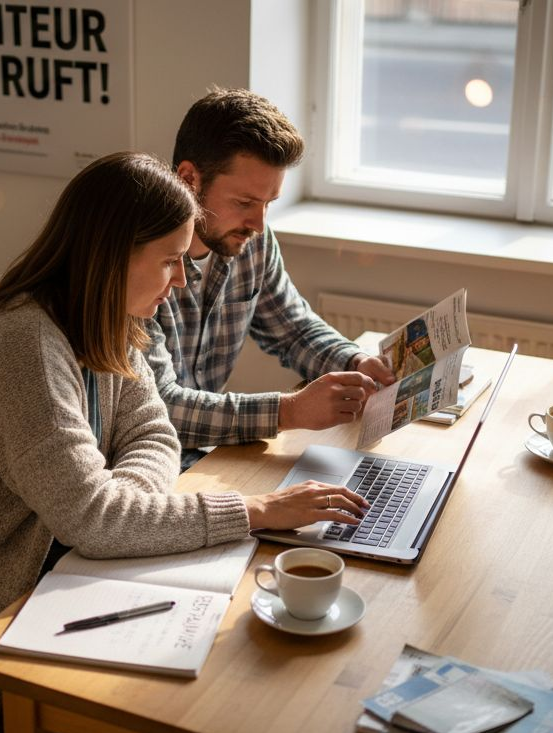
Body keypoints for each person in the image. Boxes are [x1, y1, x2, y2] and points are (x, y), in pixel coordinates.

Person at [0, 152, 369, 733]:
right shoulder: (24, 347)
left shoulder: (110, 318)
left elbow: (153, 434)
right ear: (112, 255)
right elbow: (94, 520)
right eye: (171, 260)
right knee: (129, 726)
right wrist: (252, 511)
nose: (179, 280)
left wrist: (121, 505)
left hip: (38, 565)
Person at [145, 88, 396, 468]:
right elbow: (160, 406)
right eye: (245, 203)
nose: (258, 225)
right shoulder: (136, 263)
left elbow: (293, 329)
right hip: (146, 472)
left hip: (208, 460)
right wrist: (289, 411)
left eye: (268, 204)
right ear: (188, 179)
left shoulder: (251, 243)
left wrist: (354, 361)